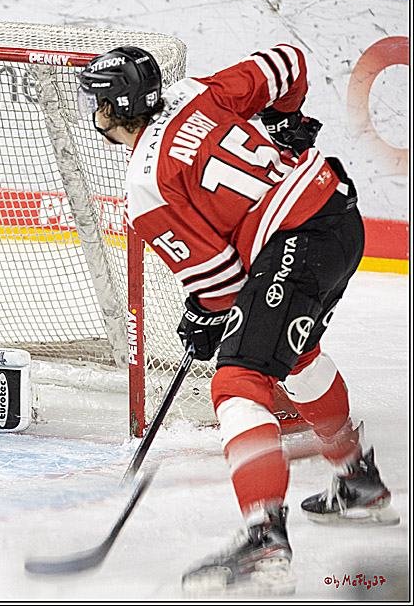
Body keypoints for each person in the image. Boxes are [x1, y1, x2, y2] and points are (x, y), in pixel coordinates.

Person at [77, 45, 398, 595]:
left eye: (99, 103)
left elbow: (221, 283)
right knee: (293, 356)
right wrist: (286, 121)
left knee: (237, 380)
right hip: (340, 215)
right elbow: (289, 61)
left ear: (113, 108)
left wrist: (205, 318)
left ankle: (264, 541)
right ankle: (358, 484)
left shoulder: (146, 184)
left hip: (296, 240)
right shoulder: (195, 91)